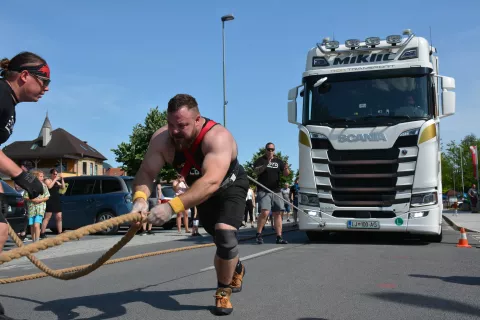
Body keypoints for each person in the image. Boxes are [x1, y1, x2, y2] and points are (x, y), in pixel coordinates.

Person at [131, 94, 248, 315]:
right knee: (223, 245)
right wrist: (139, 198)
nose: (175, 131)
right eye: (171, 124)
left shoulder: (218, 137)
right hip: (199, 193)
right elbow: (146, 173)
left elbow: (211, 181)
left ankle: (223, 292)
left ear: (197, 120)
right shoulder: (161, 140)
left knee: (225, 235)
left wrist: (170, 207)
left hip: (228, 187)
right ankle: (236, 265)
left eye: (182, 125)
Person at [0, 52, 48, 319]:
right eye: (43, 81)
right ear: (25, 76)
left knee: (1, 232)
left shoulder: (8, 101)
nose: (47, 88)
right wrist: (21, 175)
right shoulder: (0, 95)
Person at [253, 142, 290, 245]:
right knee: (265, 212)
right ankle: (259, 234)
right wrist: (266, 163)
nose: (270, 151)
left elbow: (286, 174)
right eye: (268, 149)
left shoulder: (278, 161)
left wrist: (286, 168)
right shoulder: (260, 160)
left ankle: (279, 236)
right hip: (264, 190)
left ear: (274, 150)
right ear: (265, 150)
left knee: (278, 213)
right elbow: (256, 172)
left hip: (276, 190)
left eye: (272, 149)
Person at [23, 170, 50, 242]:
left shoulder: (44, 186)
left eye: (42, 176)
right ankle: (33, 240)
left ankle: (37, 240)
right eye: (41, 176)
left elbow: (47, 196)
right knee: (32, 226)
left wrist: (40, 200)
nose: (42, 178)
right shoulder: (29, 186)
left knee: (36, 225)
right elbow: (25, 197)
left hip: (40, 208)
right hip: (31, 208)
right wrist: (32, 200)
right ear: (35, 177)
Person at [41, 168, 65, 238]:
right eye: (54, 174)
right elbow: (49, 186)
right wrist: (55, 180)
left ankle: (60, 232)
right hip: (50, 200)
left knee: (59, 217)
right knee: (47, 217)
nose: (55, 175)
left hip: (56, 200)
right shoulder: (47, 180)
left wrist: (62, 179)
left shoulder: (57, 182)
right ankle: (42, 232)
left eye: (56, 174)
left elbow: (63, 187)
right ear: (51, 174)